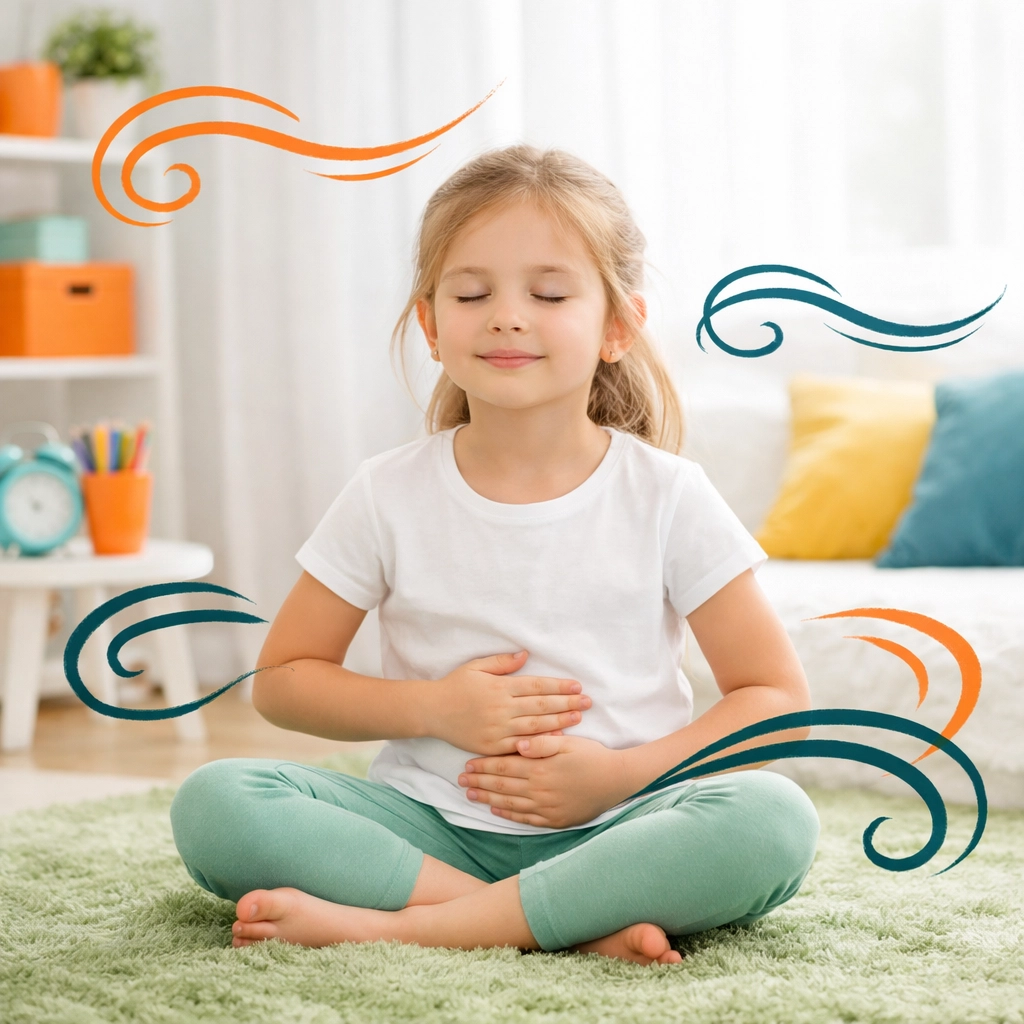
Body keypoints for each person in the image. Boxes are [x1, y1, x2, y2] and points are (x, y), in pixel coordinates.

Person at [170, 144, 820, 967]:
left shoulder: (668, 494)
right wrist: (434, 711)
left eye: (549, 293)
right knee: (219, 802)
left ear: (618, 325)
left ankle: (403, 926)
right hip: (430, 833)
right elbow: (282, 683)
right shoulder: (386, 493)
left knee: (773, 817)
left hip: (623, 826)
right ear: (433, 326)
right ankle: (565, 922)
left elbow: (774, 697)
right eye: (473, 293)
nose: (508, 316)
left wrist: (621, 778)